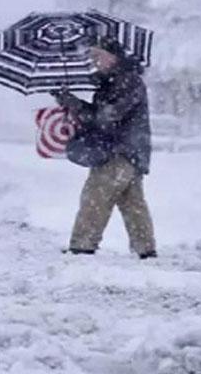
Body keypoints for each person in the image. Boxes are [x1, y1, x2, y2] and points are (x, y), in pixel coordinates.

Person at [52, 36, 157, 259]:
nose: (95, 61)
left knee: (95, 196)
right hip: (131, 152)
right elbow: (103, 115)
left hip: (118, 152)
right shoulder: (115, 82)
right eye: (92, 56)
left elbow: (106, 117)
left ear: (114, 56)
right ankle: (145, 249)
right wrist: (69, 100)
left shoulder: (125, 82)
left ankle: (82, 247)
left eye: (99, 55)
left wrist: (73, 103)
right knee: (132, 203)